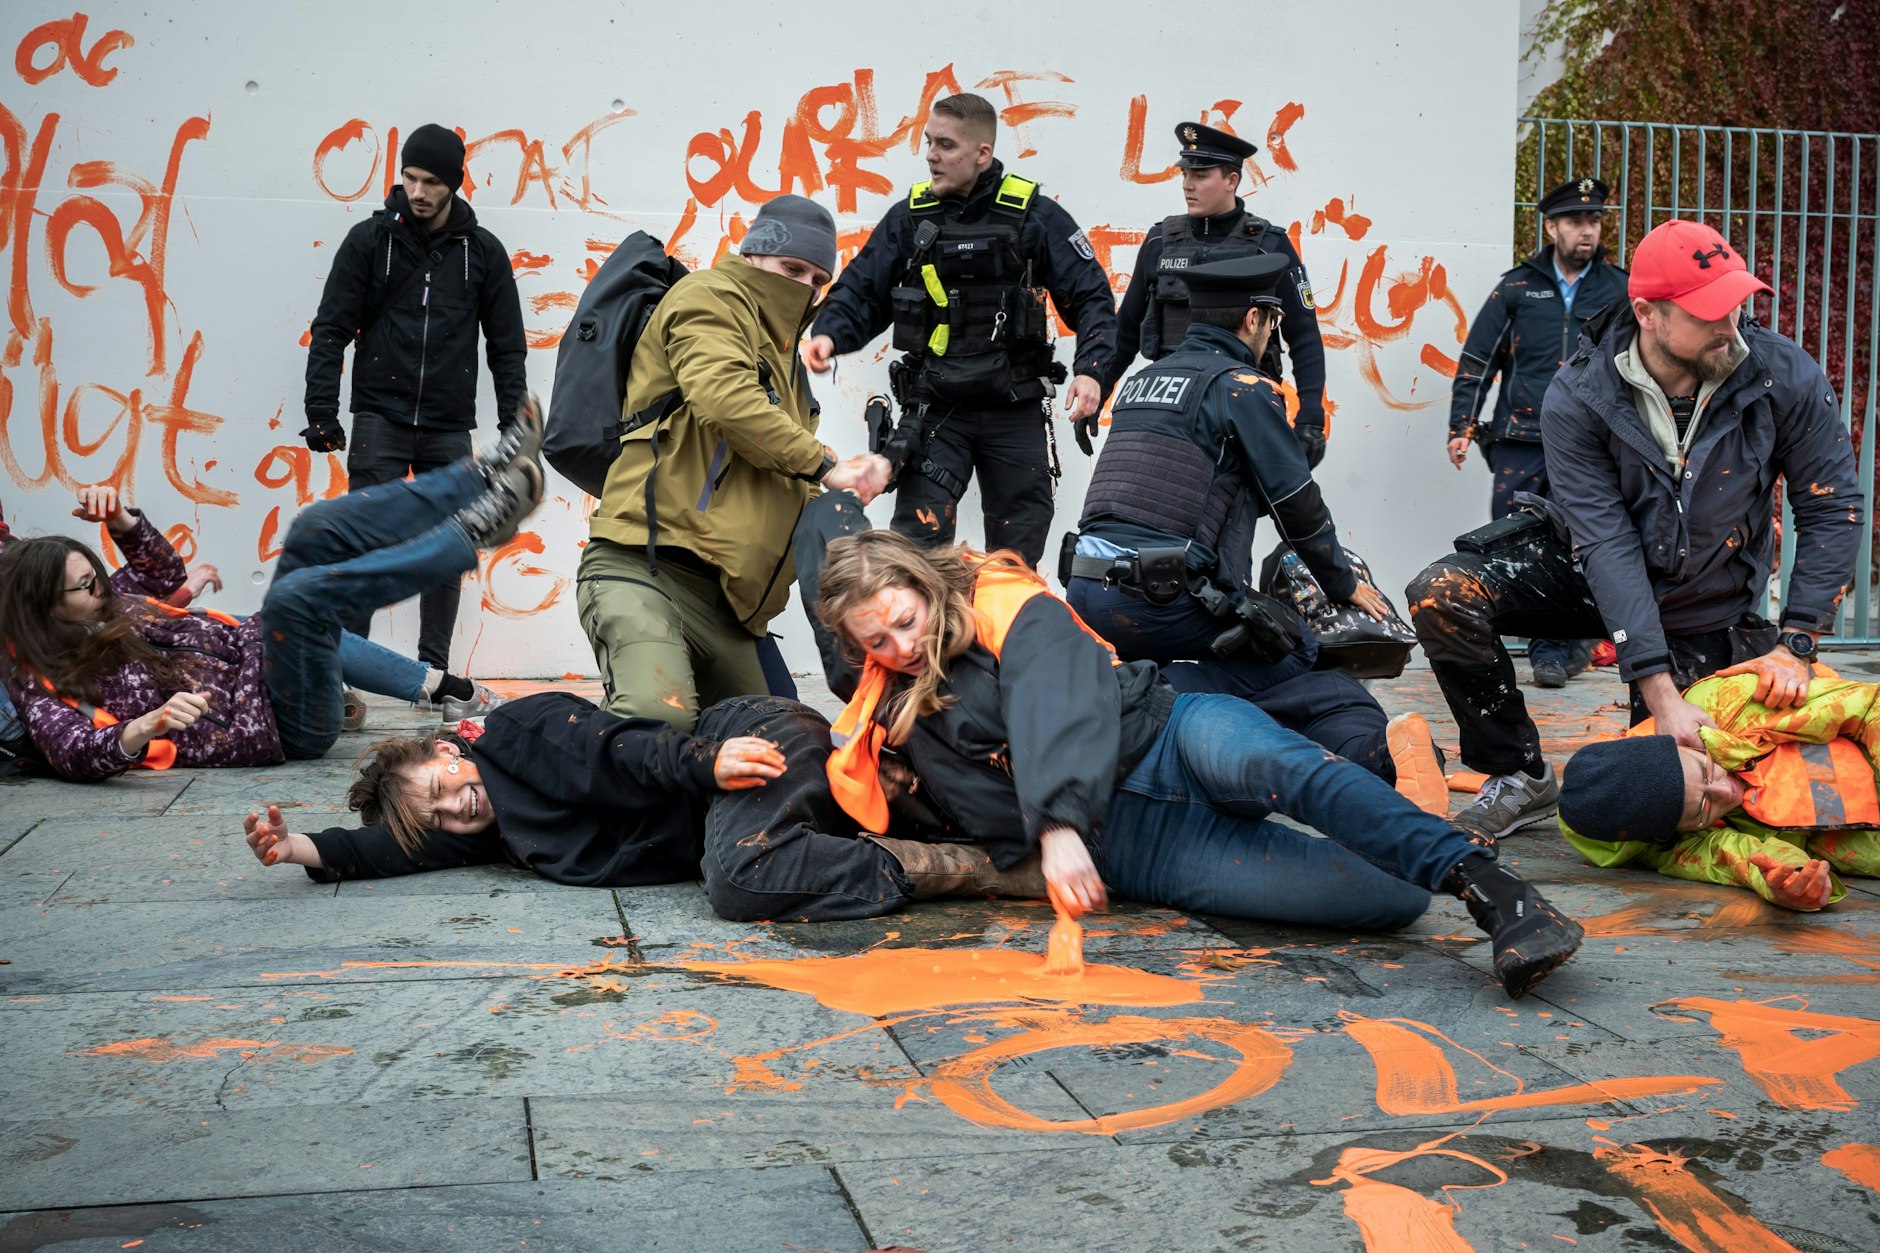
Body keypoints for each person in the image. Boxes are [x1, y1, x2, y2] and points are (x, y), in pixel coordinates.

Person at [796, 502, 1584, 998]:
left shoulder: (1002, 600)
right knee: (1391, 902)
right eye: (879, 639)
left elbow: (1051, 696)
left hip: (1171, 736)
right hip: (1141, 848)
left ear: (927, 587)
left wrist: (1056, 824)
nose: (903, 642)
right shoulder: (881, 705)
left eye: (907, 617)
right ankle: (1411, 812)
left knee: (1288, 769)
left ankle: (1497, 890)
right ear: (853, 646)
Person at [1407, 219, 1863, 842]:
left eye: (1736, 305)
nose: (1730, 326)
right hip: (1591, 568)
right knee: (1442, 593)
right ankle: (1517, 773)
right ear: (1648, 314)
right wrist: (1653, 679)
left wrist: (1798, 640)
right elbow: (1605, 540)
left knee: (1675, 799)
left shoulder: (1782, 376)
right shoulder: (1579, 393)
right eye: (1707, 313)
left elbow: (1831, 506)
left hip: (1701, 594)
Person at [0, 408, 546, 782]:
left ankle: (482, 475)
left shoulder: (113, 603)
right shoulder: (42, 681)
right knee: (295, 601)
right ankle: (466, 536)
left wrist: (119, 518)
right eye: (86, 584)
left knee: (314, 529)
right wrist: (144, 727)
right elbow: (72, 751)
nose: (103, 587)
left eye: (96, 573)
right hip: (282, 723)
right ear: (43, 607)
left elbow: (161, 571)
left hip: (279, 665)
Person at [1062, 255, 1424, 794]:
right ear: (1256, 320)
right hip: (1156, 601)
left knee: (1232, 633)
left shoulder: (1143, 379)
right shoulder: (1242, 387)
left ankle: (1148, 697)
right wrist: (1344, 586)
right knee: (1292, 646)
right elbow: (1297, 504)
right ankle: (1148, 694)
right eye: (1272, 323)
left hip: (1086, 589)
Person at [243, 687, 1042, 918]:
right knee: (751, 860)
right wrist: (300, 848)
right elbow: (390, 849)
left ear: (447, 750)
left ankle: (970, 868)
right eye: (441, 817)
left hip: (742, 747)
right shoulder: (491, 826)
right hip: (734, 789)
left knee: (737, 878)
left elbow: (613, 748)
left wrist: (705, 760)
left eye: (442, 789)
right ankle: (996, 834)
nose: (457, 808)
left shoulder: (517, 735)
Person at [577, 195, 890, 732]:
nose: (804, 288)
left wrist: (840, 505)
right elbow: (724, 397)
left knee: (787, 744)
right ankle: (531, 777)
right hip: (645, 568)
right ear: (752, 256)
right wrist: (824, 465)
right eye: (791, 268)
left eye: (818, 279)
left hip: (732, 608)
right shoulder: (709, 297)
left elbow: (775, 475)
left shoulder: (785, 355)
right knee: (655, 718)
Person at [802, 91, 1118, 567]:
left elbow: (1093, 297)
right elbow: (862, 291)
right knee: (915, 559)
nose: (931, 154)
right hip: (936, 408)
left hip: (1014, 407)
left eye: (945, 145)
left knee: (1012, 564)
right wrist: (828, 333)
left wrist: (1092, 371)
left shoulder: (1035, 217)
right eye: (929, 142)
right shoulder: (909, 219)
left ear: (982, 153)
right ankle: (923, 641)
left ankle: (1000, 640)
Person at [303, 123, 528, 680]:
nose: (418, 191)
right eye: (409, 178)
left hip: (449, 423)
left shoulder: (484, 253)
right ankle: (350, 680)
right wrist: (322, 412)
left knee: (446, 551)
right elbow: (331, 328)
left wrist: (512, 428)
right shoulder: (369, 241)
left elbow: (507, 346)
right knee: (363, 547)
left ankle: (436, 677)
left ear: (454, 183)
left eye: (430, 181)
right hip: (380, 416)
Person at [1448, 177, 1628, 689]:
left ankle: (1556, 647)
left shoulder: (1619, 288)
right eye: (1575, 221)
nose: (1586, 230)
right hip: (1521, 437)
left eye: (1593, 220)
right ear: (1551, 227)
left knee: (1584, 536)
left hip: (1593, 439)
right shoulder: (1517, 286)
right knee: (1511, 539)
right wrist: (1462, 425)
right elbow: (1478, 358)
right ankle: (1543, 641)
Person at [1557, 669, 1880, 911]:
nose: (1726, 791)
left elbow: (1868, 704)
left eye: (1705, 769)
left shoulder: (1723, 706)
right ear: (1676, 831)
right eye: (1703, 808)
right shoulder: (1658, 840)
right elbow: (1737, 857)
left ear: (1681, 744)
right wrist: (1789, 880)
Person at [1104, 122, 1329, 468]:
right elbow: (1127, 329)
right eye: (1185, 174)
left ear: (1231, 180)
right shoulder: (1160, 242)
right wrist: (1098, 388)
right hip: (1171, 410)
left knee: (1231, 516)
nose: (1187, 185)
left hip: (1242, 411)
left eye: (1201, 175)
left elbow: (1305, 335)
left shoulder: (1270, 245)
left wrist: (1311, 420)